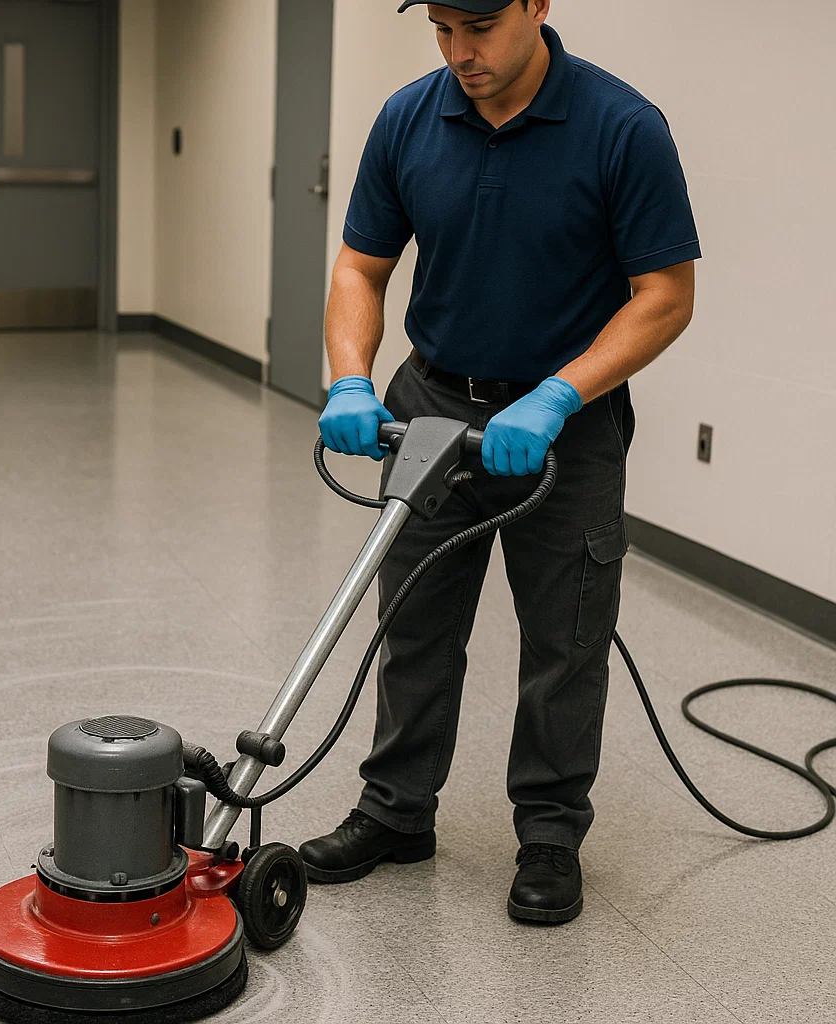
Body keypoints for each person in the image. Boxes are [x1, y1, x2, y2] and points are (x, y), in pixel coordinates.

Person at [300, 0, 700, 924]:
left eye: (479, 25)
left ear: (538, 5)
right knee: (414, 622)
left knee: (566, 638)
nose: (460, 51)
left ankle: (551, 835)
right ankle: (396, 812)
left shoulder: (622, 127)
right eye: (442, 28)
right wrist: (351, 378)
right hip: (432, 403)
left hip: (565, 423)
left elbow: (665, 295)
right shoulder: (409, 116)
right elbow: (360, 266)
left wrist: (559, 394)